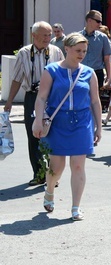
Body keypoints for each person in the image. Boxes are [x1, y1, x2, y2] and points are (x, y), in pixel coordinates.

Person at [32, 33, 102, 220]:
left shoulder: (89, 72)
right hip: (58, 123)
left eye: (84, 51)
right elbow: (41, 98)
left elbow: (95, 101)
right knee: (57, 166)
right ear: (67, 49)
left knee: (78, 166)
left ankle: (75, 207)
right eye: (78, 50)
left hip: (82, 122)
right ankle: (49, 191)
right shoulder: (52, 70)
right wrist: (38, 120)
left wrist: (99, 127)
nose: (81, 54)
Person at [3, 22, 64, 185]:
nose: (48, 38)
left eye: (50, 34)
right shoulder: (24, 53)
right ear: (34, 36)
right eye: (44, 35)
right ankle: (39, 174)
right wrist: (9, 101)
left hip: (52, 98)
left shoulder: (56, 52)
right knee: (33, 136)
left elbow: (64, 75)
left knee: (52, 136)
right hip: (32, 97)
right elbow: (17, 78)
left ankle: (53, 175)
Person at [80, 10, 111, 90]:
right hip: (80, 72)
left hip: (97, 73)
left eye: (101, 22)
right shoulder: (78, 37)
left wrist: (109, 79)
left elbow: (107, 59)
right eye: (98, 21)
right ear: (89, 20)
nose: (100, 24)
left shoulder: (103, 38)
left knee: (95, 100)